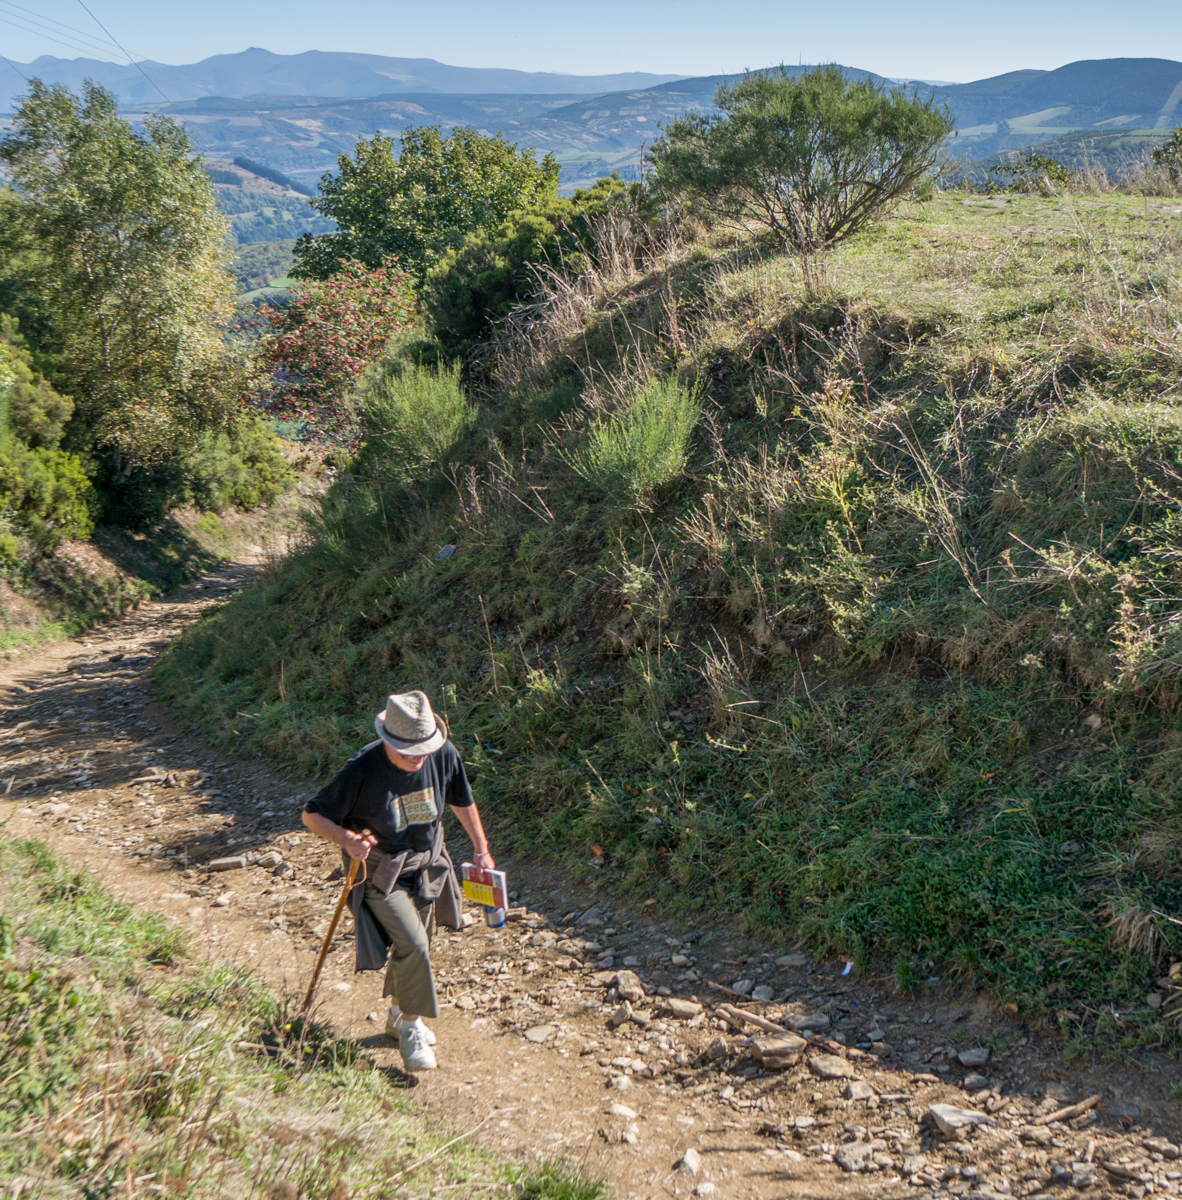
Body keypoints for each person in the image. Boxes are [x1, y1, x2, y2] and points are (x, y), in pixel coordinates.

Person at [302, 690, 495, 1072]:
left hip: (428, 865)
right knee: (415, 944)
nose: (420, 758)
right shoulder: (362, 769)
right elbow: (312, 814)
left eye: (424, 749)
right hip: (381, 874)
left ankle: (395, 1015)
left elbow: (461, 798)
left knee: (413, 947)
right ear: (388, 741)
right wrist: (347, 839)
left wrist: (481, 848)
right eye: (410, 752)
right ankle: (411, 1028)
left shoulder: (442, 753)